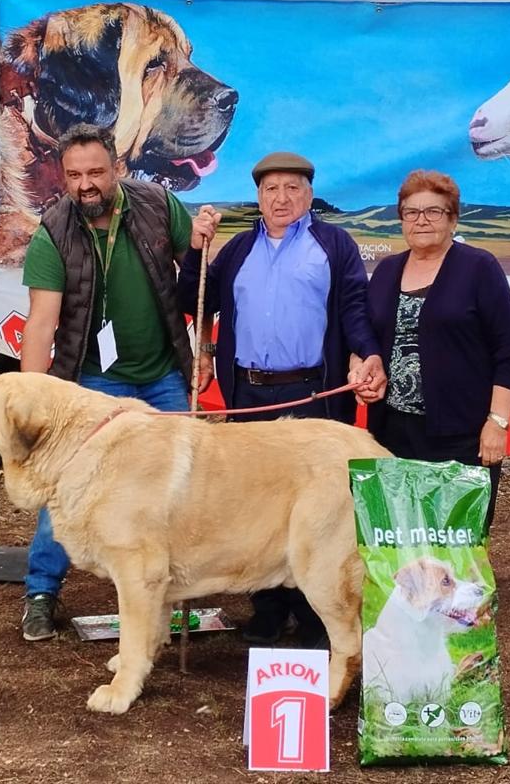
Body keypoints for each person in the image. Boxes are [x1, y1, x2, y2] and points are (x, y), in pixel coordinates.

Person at [179, 151, 386, 648]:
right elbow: (192, 298)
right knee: (256, 503)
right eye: (271, 189)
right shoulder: (237, 249)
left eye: (292, 188)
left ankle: (317, 617)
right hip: (250, 392)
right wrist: (195, 250)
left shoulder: (332, 245)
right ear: (258, 196)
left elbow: (355, 307)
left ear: (309, 195)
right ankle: (268, 609)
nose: (281, 198)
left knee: (314, 507)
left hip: (312, 391)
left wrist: (368, 351)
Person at [18, 123, 197, 641]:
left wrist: (204, 344)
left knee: (183, 485)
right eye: (73, 175)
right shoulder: (52, 231)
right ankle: (40, 591)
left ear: (117, 167)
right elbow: (41, 322)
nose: (84, 184)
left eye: (95, 172)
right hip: (94, 384)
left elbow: (201, 274)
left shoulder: (159, 205)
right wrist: (35, 400)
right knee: (69, 488)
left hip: (163, 373)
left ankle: (176, 588)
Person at [355, 170, 510, 529]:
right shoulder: (387, 270)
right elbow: (368, 336)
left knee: (456, 540)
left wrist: (497, 423)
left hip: (460, 437)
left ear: (453, 219)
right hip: (391, 434)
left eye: (433, 211)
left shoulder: (479, 268)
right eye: (411, 212)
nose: (421, 221)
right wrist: (361, 366)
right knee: (396, 536)